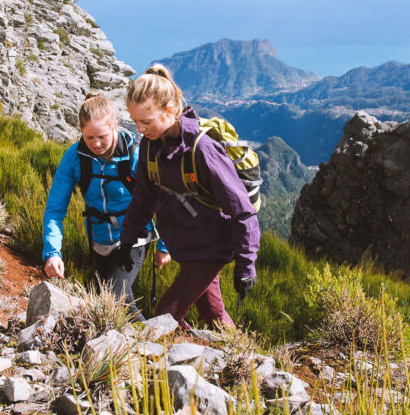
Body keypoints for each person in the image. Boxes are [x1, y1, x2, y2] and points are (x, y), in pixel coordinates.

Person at [117, 65, 260, 329]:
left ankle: (170, 362)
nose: (139, 128)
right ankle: (241, 358)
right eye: (135, 120)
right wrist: (127, 241)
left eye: (145, 121)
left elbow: (243, 210)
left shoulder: (203, 149)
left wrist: (246, 266)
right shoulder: (150, 144)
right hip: (187, 245)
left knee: (164, 315)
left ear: (170, 110)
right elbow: (143, 198)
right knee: (213, 314)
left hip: (212, 248)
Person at [42, 92, 168, 322]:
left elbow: (164, 199)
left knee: (114, 295)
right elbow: (54, 209)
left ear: (115, 127)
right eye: (89, 138)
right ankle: (141, 342)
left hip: (134, 237)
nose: (96, 144)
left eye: (102, 136)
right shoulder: (74, 157)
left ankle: (152, 343)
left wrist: (164, 245)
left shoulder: (135, 154)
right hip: (98, 241)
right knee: (110, 300)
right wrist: (53, 252)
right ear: (81, 132)